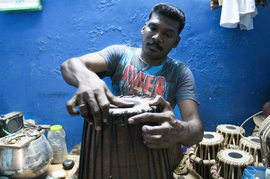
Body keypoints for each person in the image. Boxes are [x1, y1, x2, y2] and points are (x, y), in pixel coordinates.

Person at [61, 3, 204, 178]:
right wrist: (87, 79)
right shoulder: (120, 55)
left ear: (176, 42)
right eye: (153, 27)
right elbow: (70, 65)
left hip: (157, 159)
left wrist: (180, 130)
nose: (157, 37)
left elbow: (196, 129)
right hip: (112, 155)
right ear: (144, 28)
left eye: (168, 34)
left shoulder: (180, 72)